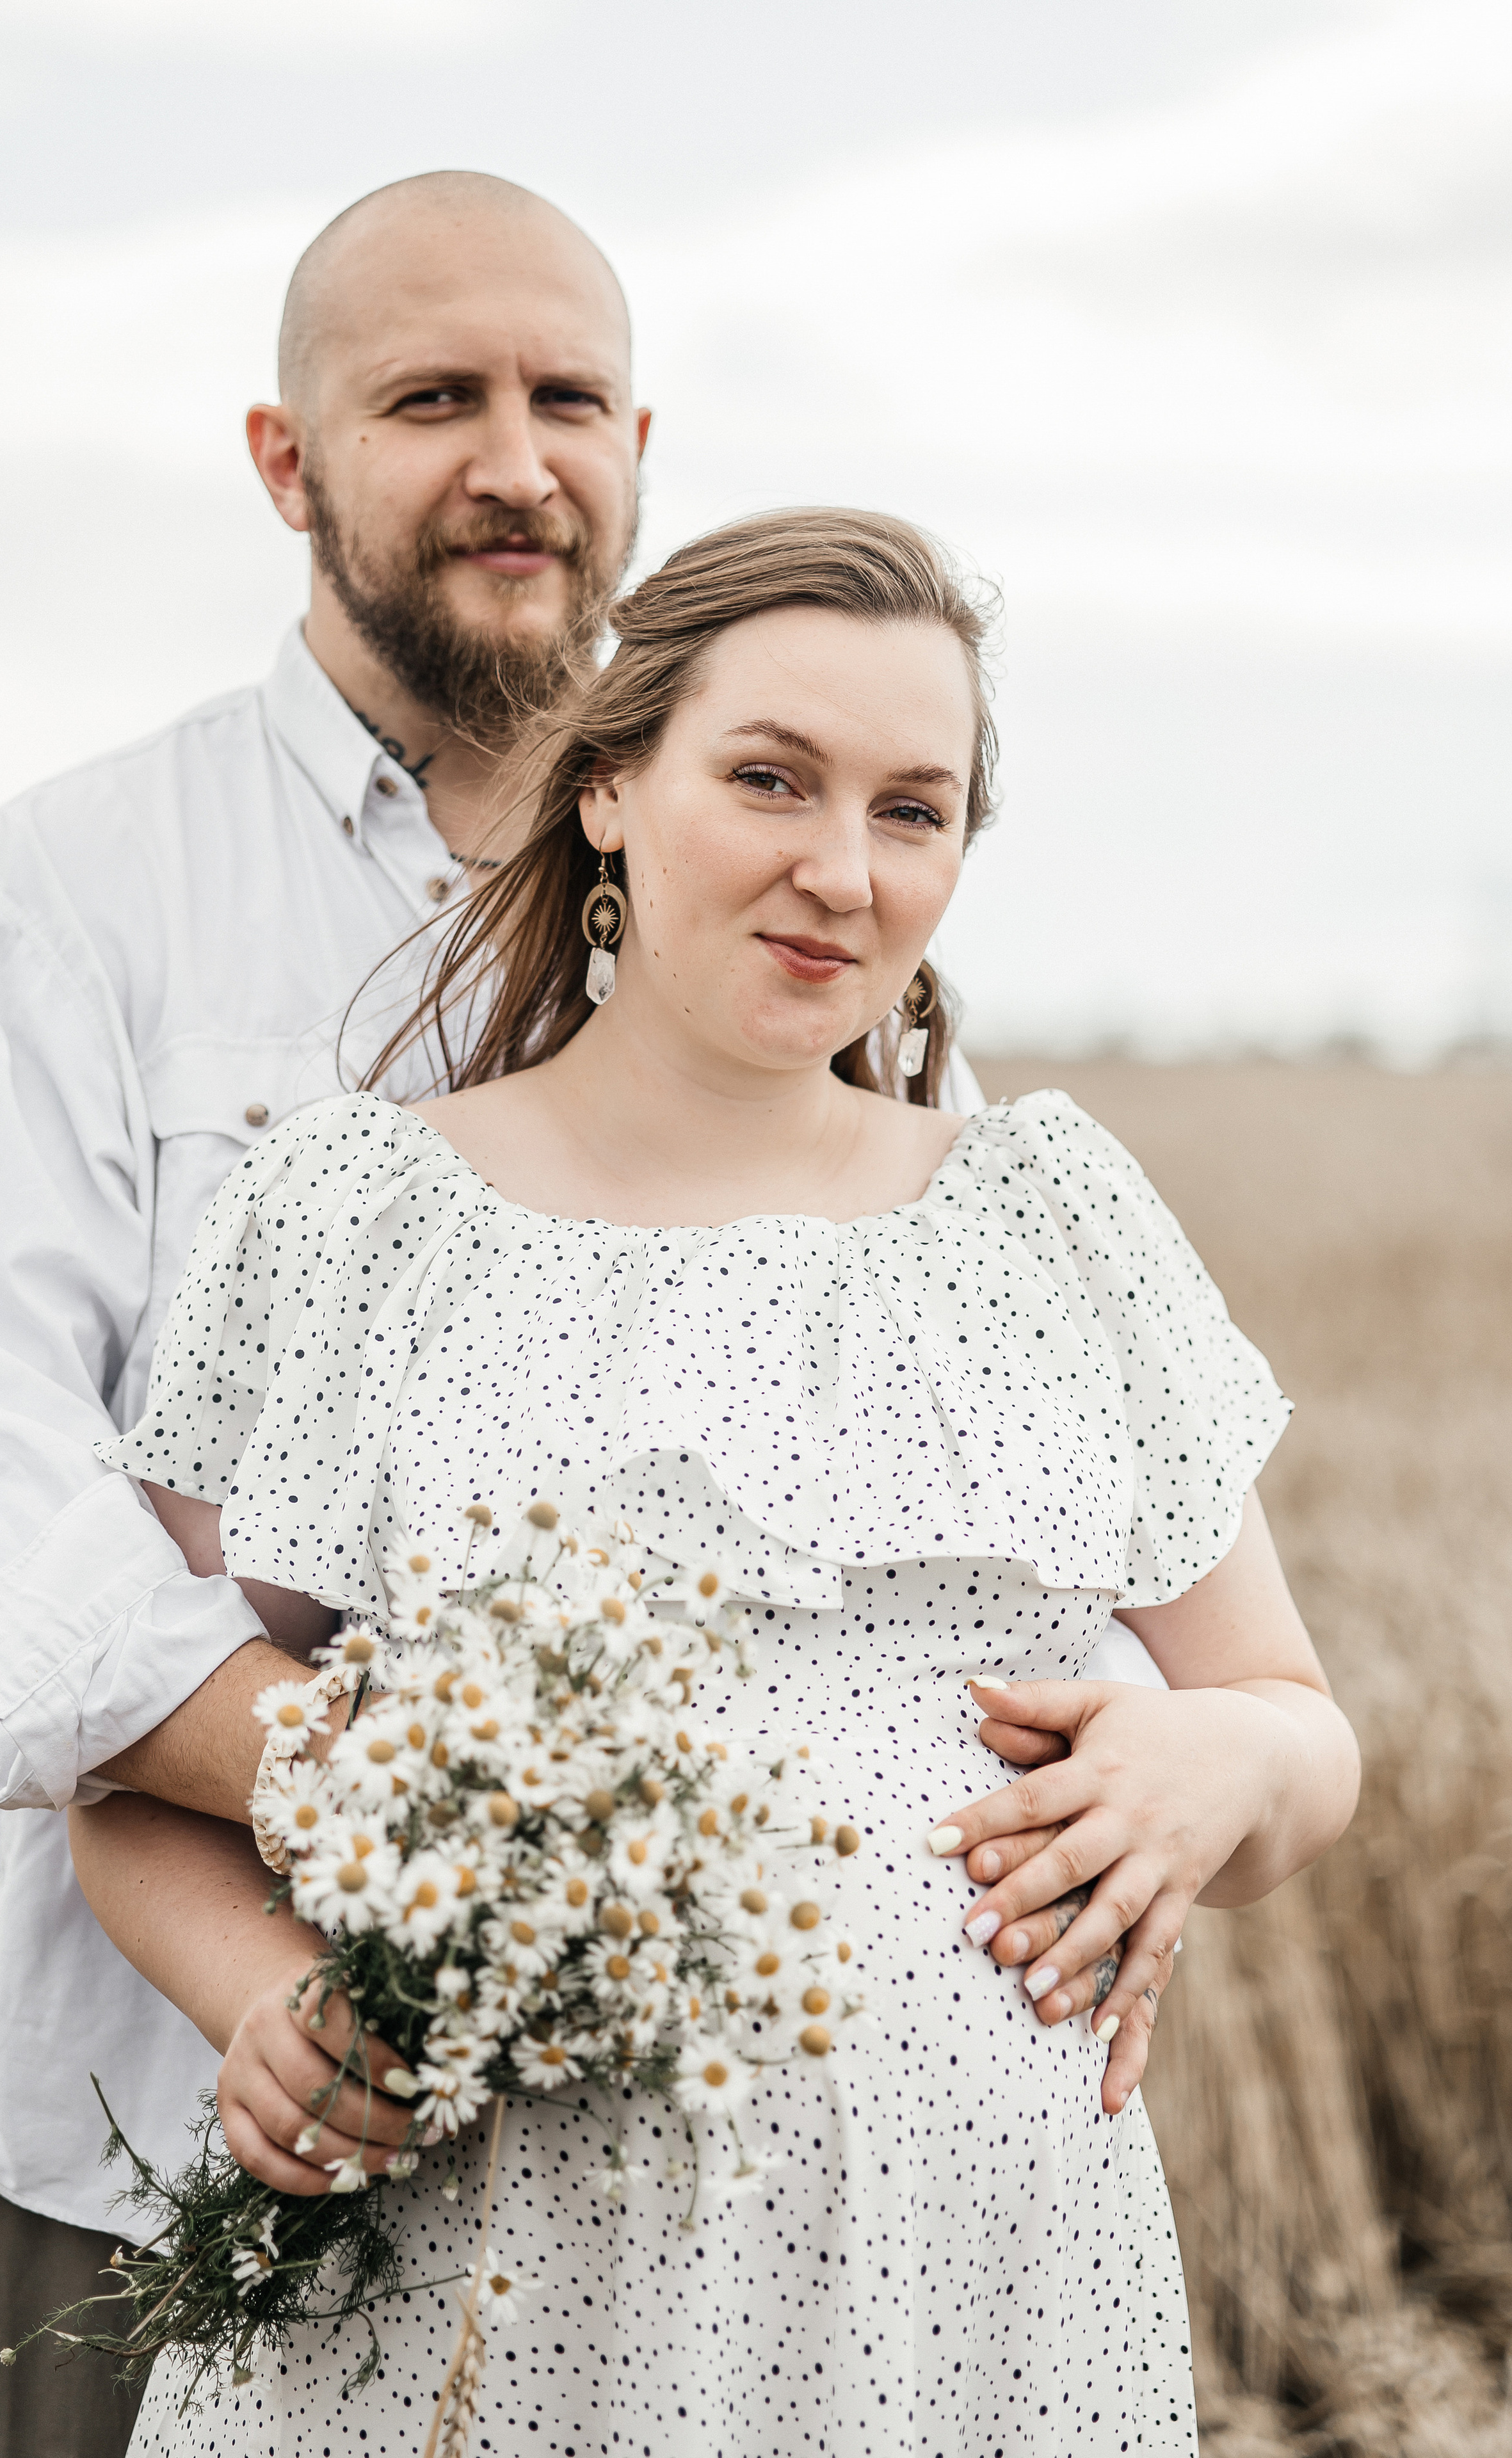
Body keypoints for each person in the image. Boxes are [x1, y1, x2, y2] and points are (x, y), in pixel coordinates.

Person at [70, 508, 1360, 2457]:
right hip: (476, 2292)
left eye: (914, 812)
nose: (841, 871)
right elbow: (128, 1755)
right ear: (607, 789)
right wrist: (265, 2006)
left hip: (972, 2305)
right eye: (769, 778)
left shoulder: (1046, 1222)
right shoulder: (358, 1221)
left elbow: (1294, 1721)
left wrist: (1228, 1767)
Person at [0, 170, 656, 2458]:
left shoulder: (766, 889)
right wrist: (380, 1810)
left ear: (638, 446)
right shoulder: (70, 894)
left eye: (568, 398)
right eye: (434, 399)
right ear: (286, 463)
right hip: (149, 2145)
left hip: (672, 2185)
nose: (517, 460)